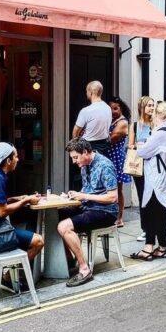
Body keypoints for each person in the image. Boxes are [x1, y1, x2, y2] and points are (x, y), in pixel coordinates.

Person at [0, 142, 45, 284]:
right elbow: (2, 212)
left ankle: (9, 274)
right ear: (8, 161)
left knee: (26, 236)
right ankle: (9, 278)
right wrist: (26, 201)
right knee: (38, 241)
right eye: (15, 157)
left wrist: (16, 198)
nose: (18, 159)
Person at [58, 138, 118, 287]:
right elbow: (88, 189)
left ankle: (84, 269)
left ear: (85, 152)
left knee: (64, 227)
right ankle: (69, 258)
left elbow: (113, 197)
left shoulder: (105, 165)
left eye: (75, 157)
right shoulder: (84, 164)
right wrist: (73, 195)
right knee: (57, 214)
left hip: (106, 212)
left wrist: (84, 196)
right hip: (89, 207)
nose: (74, 161)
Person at [133, 101, 166, 261]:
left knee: (151, 212)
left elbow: (142, 151)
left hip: (156, 179)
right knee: (160, 212)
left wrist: (141, 144)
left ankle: (148, 248)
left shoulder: (160, 133)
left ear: (157, 115)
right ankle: (162, 247)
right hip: (163, 178)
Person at [129, 96, 156, 243]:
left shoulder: (155, 125)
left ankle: (159, 228)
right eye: (149, 106)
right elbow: (130, 145)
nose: (152, 108)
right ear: (142, 107)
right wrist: (138, 146)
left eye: (153, 105)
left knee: (154, 198)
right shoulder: (134, 126)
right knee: (142, 198)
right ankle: (145, 229)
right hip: (139, 166)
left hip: (154, 166)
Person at [108, 96, 132, 227]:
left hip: (116, 157)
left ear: (121, 109)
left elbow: (110, 139)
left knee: (118, 189)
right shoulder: (111, 120)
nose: (112, 111)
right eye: (110, 108)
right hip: (110, 157)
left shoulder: (122, 122)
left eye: (115, 108)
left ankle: (119, 218)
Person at [72, 81, 112, 157]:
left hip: (89, 147)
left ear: (90, 92)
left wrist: (76, 146)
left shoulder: (86, 111)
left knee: (88, 168)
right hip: (104, 146)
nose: (86, 93)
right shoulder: (108, 108)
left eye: (87, 91)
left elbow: (76, 131)